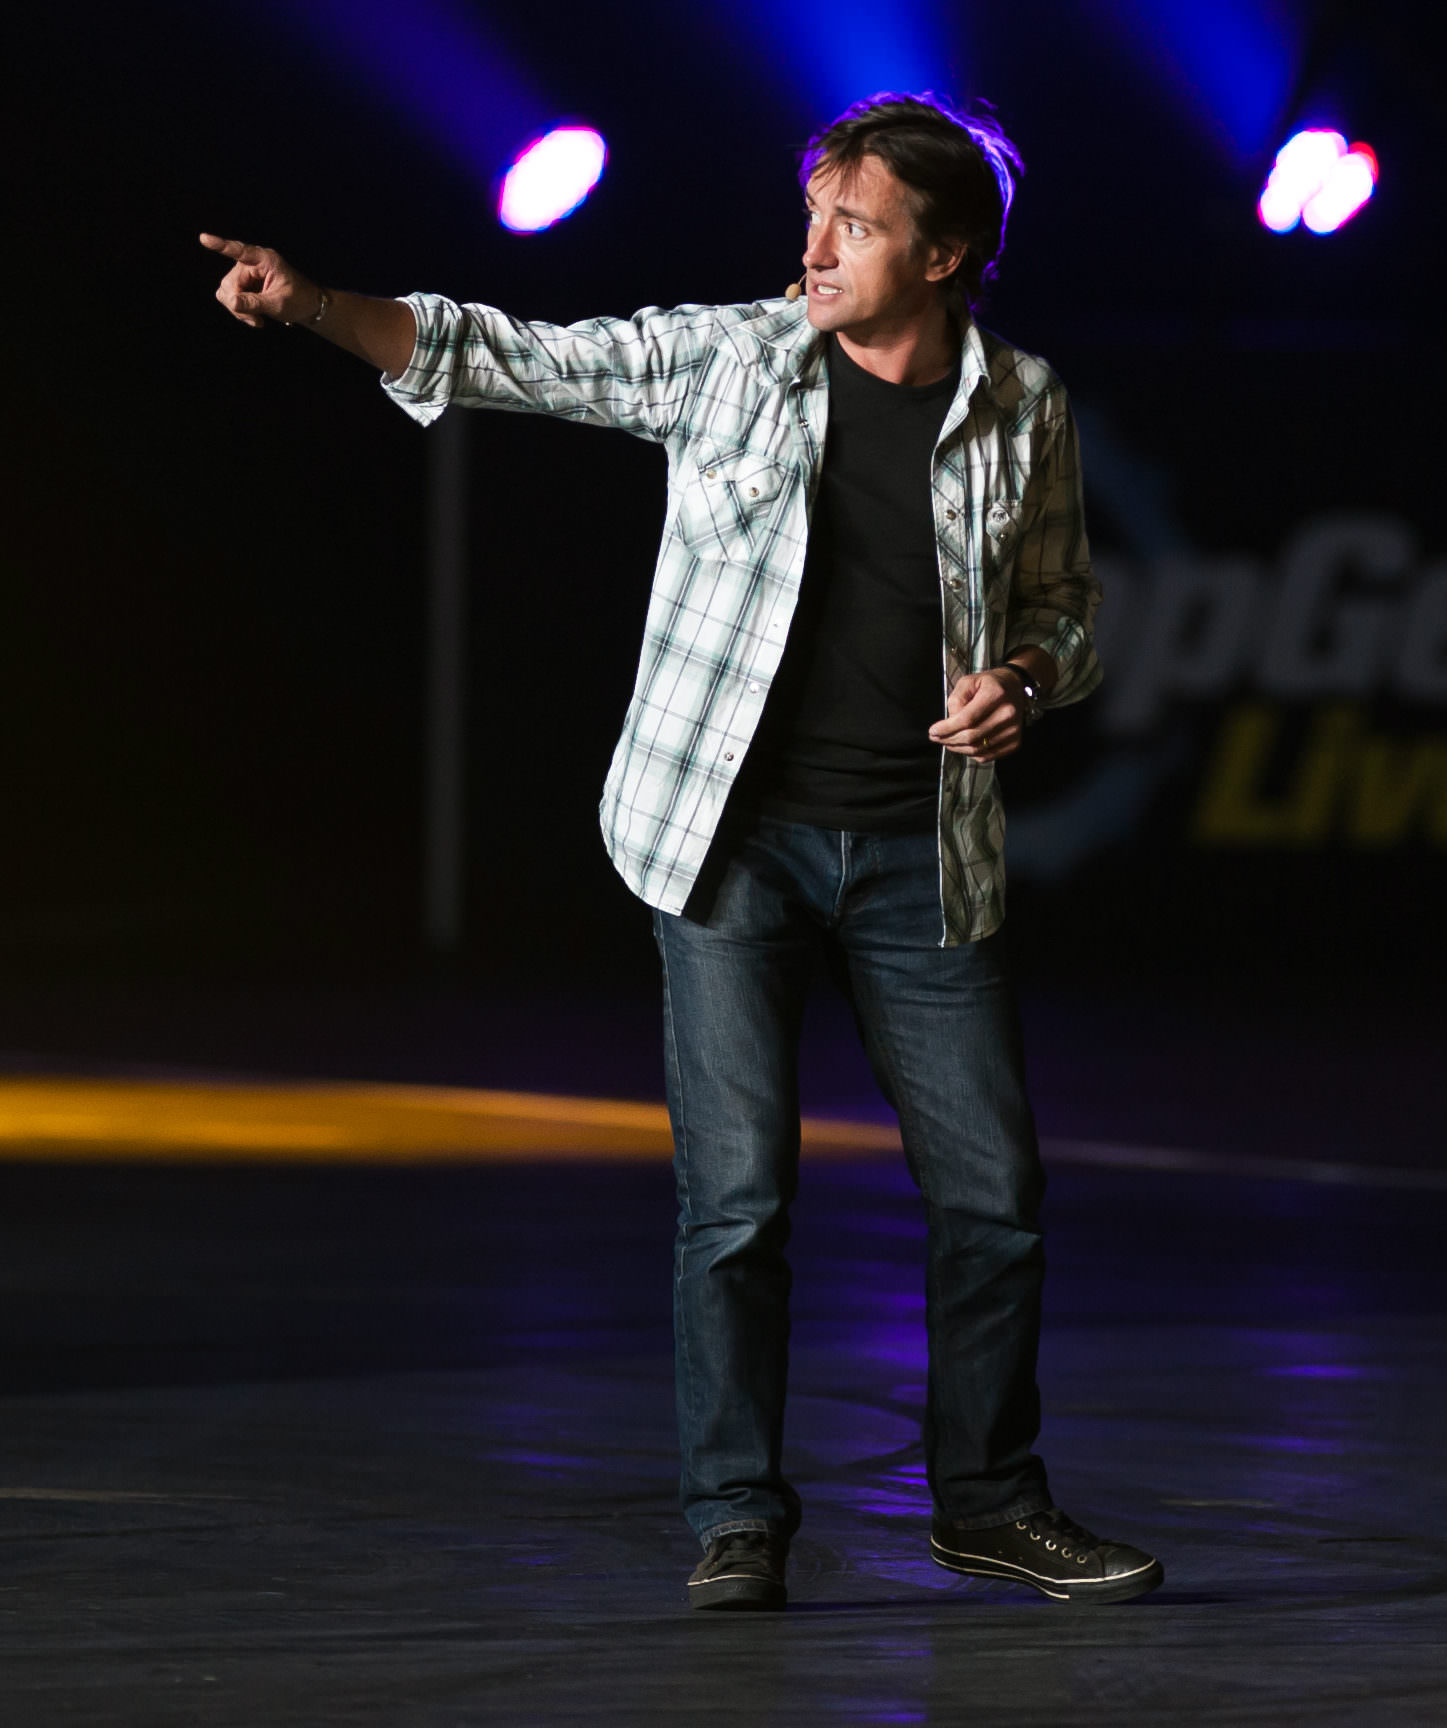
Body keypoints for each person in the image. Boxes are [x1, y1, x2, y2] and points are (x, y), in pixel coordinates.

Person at [201, 93, 1160, 1611]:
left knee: (992, 1194)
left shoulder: (1020, 402)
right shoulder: (733, 358)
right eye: (814, 215)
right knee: (739, 1203)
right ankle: (738, 1519)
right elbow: (512, 355)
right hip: (730, 849)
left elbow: (1062, 607)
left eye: (854, 223)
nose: (816, 246)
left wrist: (1021, 683)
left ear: (944, 254)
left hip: (925, 855)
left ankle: (987, 1500)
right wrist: (317, 303)